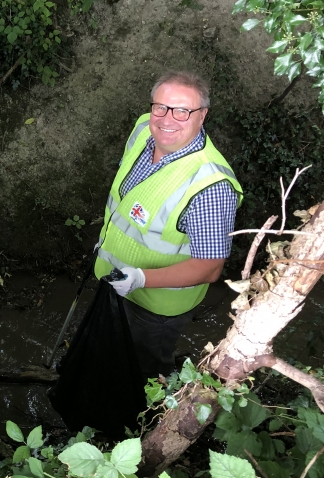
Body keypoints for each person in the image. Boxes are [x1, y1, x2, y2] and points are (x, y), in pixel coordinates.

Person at [94, 71, 243, 380]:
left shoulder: (210, 188)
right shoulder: (142, 130)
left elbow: (210, 268)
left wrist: (140, 278)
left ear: (202, 116)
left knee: (145, 370)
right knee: (110, 352)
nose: (166, 119)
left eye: (181, 111)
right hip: (112, 282)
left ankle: (148, 422)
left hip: (155, 310)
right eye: (159, 107)